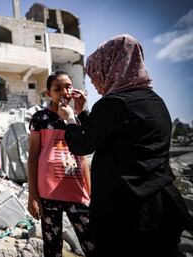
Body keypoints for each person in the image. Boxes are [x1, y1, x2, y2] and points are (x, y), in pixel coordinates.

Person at [58, 34, 193, 257]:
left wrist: (70, 119)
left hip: (126, 212)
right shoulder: (154, 101)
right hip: (161, 204)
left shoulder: (113, 103)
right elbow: (113, 133)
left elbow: (82, 145)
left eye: (95, 74)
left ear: (111, 66)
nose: (93, 81)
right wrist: (84, 112)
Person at [28, 71, 94, 257]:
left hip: (76, 190)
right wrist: (32, 194)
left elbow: (82, 158)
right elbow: (33, 156)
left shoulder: (78, 119)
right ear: (49, 93)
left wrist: (90, 191)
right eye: (57, 88)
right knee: (52, 247)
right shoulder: (40, 118)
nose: (64, 92)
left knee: (92, 241)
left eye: (68, 87)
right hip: (48, 193)